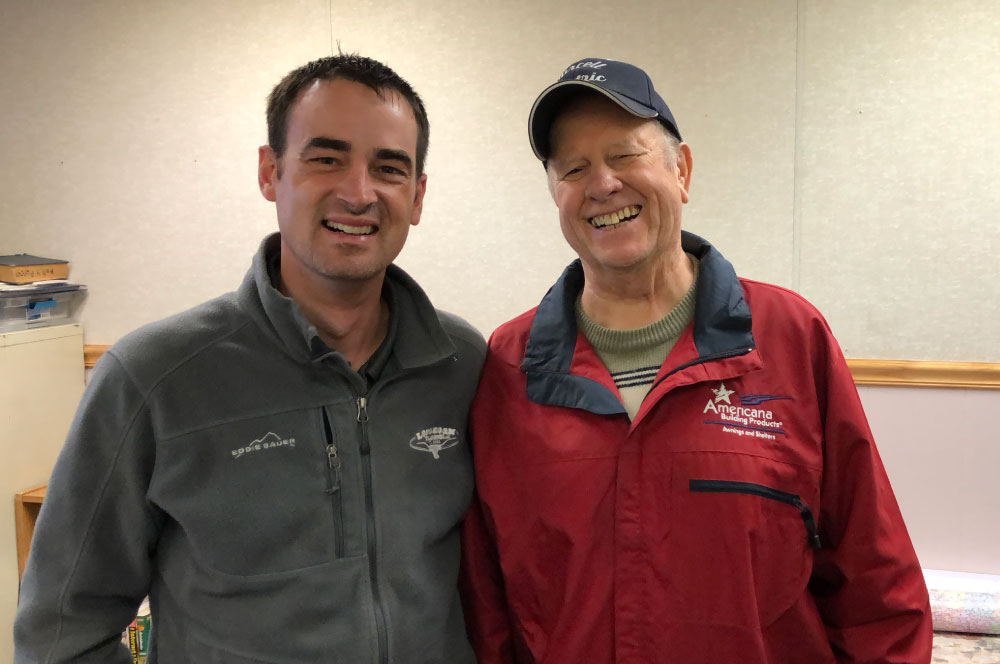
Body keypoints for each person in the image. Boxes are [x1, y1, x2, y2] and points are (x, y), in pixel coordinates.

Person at [15, 54, 485, 663]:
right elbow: (61, 631)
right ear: (270, 172)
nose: (358, 192)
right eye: (326, 159)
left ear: (417, 196)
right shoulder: (153, 377)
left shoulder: (461, 364)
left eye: (389, 168)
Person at [460, 57, 932, 663]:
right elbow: (486, 601)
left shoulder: (789, 337)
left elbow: (875, 581)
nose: (602, 184)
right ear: (556, 194)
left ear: (680, 169)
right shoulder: (510, 365)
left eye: (624, 155)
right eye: (574, 168)